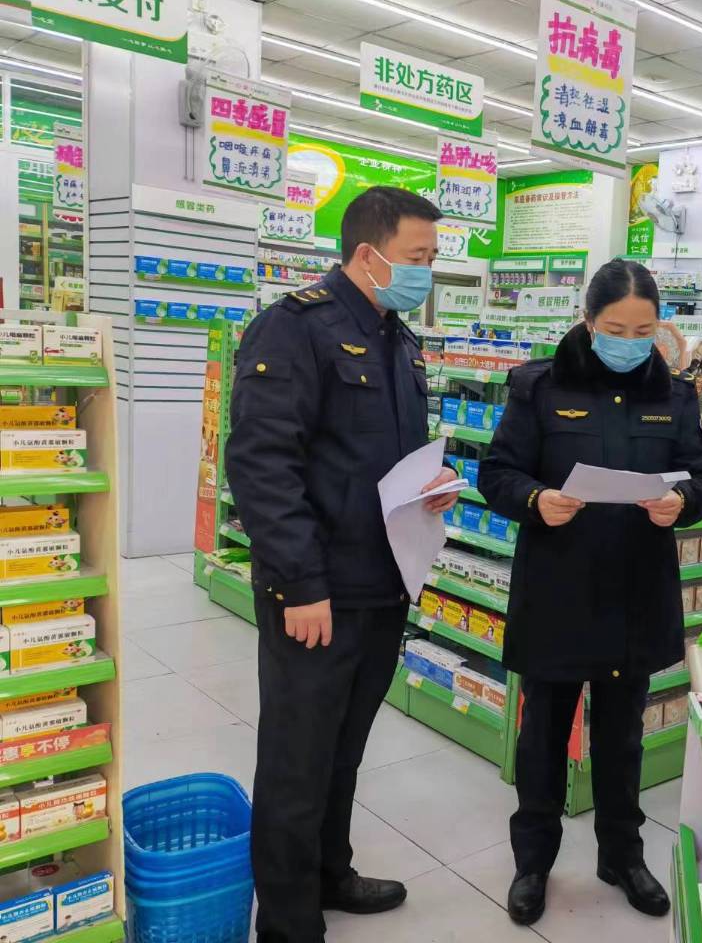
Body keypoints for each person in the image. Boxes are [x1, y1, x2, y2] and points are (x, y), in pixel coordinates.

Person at [226, 186, 461, 943]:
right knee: (297, 761)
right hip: (316, 591)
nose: (427, 271)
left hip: (382, 581)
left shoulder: (398, 338)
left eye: (432, 257)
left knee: (343, 750)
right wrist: (299, 582)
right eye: (418, 256)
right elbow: (262, 465)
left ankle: (331, 873)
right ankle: (289, 923)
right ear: (368, 254)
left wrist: (431, 487)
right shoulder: (294, 328)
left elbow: (383, 459)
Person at [479, 259, 702, 926]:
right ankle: (533, 862)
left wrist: (683, 502)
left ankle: (622, 855)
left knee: (622, 739)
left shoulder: (675, 395)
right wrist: (536, 499)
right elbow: (497, 473)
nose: (630, 342)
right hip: (558, 591)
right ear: (588, 322)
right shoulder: (539, 387)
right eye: (616, 329)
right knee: (542, 737)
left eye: (644, 331)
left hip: (634, 593)